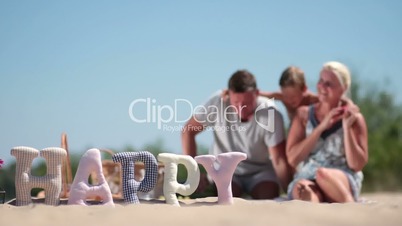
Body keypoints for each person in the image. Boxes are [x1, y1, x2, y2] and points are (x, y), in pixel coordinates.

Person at [181, 69, 293, 199]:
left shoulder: (270, 112)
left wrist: (289, 194)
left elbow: (278, 159)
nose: (241, 109)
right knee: (227, 195)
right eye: (236, 103)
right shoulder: (217, 102)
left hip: (260, 170)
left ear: (257, 94)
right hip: (224, 169)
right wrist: (194, 173)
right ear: (228, 94)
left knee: (267, 194)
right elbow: (188, 131)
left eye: (247, 104)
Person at [286, 61, 368, 203]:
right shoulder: (303, 114)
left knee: (323, 174)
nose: (322, 87)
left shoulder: (355, 118)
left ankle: (351, 210)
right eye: (321, 81)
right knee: (302, 189)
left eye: (329, 84)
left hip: (342, 175)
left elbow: (357, 165)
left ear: (343, 88)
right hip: (308, 174)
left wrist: (347, 128)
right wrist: (320, 128)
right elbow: (293, 159)